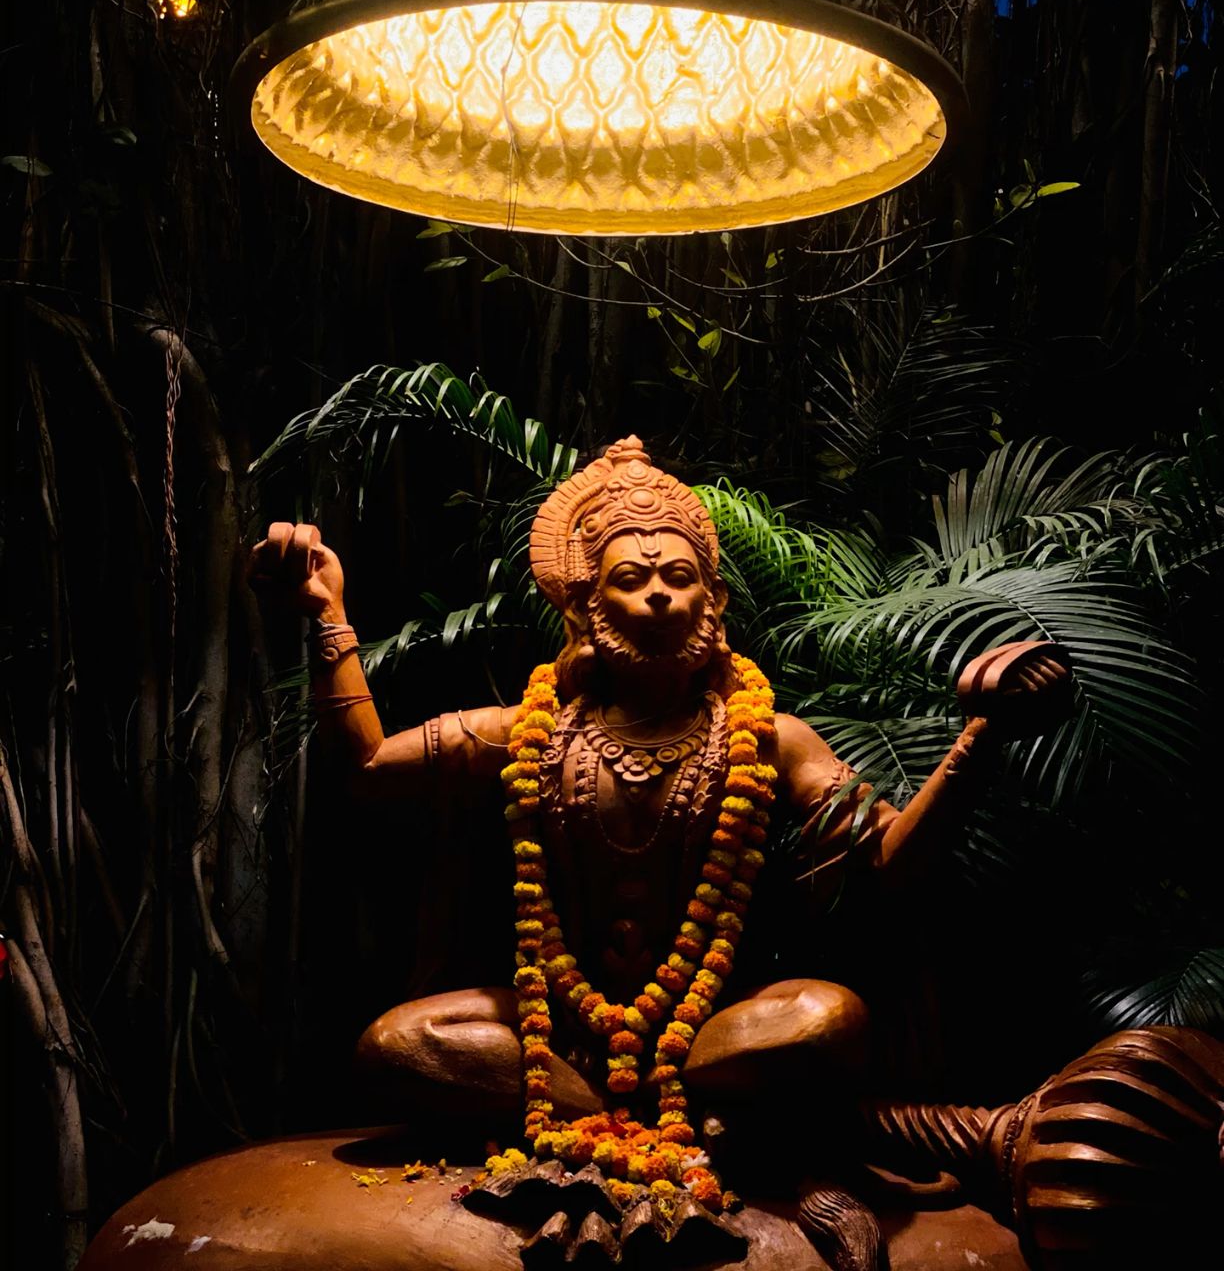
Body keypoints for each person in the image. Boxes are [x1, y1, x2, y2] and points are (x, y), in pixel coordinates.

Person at [250, 436, 1069, 1269]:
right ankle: (628, 1116)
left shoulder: (770, 739)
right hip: (552, 1041)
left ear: (712, 596)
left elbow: (889, 864)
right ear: (584, 605)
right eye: (630, 579)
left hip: (712, 1037)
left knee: (828, 1018)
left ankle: (643, 1112)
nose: (657, 598)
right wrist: (327, 612)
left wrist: (980, 738)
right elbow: (369, 767)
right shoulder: (529, 734)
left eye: (677, 578)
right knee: (397, 1044)